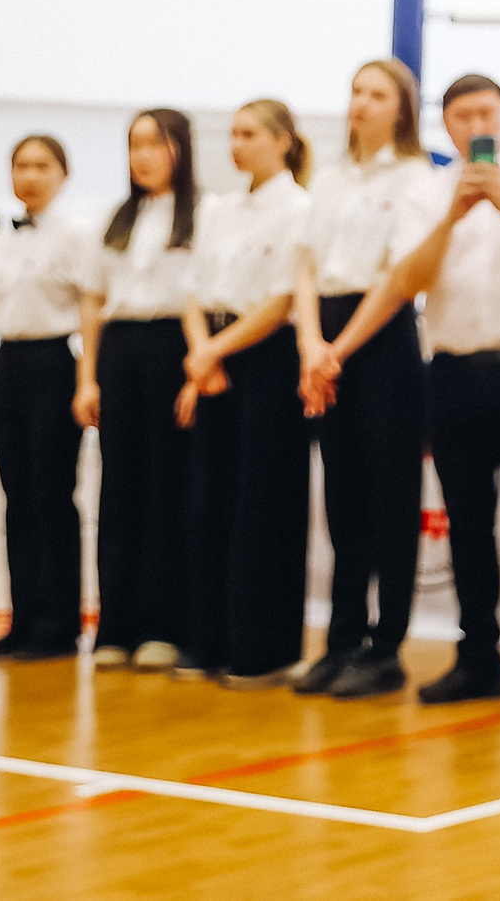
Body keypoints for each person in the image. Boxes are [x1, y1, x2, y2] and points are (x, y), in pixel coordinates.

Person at [330, 74, 500, 714]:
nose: (477, 127)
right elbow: (407, 279)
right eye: (463, 116)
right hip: (452, 372)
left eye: (487, 114)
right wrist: (454, 214)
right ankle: (478, 657)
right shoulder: (424, 192)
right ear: (446, 125)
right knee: (468, 523)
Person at [295, 59, 438, 701]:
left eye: (376, 94)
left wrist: (338, 351)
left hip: (380, 337)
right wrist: (310, 347)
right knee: (342, 496)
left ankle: (387, 645)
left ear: (402, 109)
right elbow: (304, 265)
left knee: (389, 497)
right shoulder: (327, 179)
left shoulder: (415, 178)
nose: (361, 103)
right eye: (355, 91)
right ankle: (342, 637)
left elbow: (396, 275)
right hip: (324, 335)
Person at [179, 101, 317, 688]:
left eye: (250, 134)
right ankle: (208, 640)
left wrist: (216, 350)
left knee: (263, 504)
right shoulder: (217, 209)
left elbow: (282, 299)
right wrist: (199, 354)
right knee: (210, 500)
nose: (237, 145)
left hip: (265, 356)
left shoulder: (300, 208)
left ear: (283, 141)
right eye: (232, 135)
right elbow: (193, 288)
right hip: (212, 354)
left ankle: (262, 649)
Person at [76, 109, 202, 672]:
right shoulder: (116, 218)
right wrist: (88, 377)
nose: (143, 156)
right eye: (134, 145)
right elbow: (92, 300)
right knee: (118, 487)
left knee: (168, 485)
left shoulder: (204, 213)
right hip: (121, 349)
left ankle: (161, 626)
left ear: (180, 148)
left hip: (175, 345)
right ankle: (114, 626)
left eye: (155, 143)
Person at [0, 136, 95, 662]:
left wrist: (86, 379)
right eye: (20, 165)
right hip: (8, 361)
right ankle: (24, 616)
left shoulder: (77, 233)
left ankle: (58, 624)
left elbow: (88, 307)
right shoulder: (3, 233)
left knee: (52, 494)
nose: (29, 176)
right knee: (16, 496)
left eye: (41, 166)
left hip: (56, 363)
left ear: (63, 172)